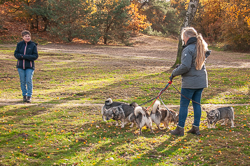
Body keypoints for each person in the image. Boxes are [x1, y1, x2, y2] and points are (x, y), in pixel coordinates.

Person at [169, 27, 211, 136]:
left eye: (183, 38)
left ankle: (180, 128)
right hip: (201, 80)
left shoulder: (188, 49)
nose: (183, 40)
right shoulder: (200, 47)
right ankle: (196, 128)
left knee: (184, 105)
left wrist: (174, 73)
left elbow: (186, 67)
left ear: (187, 37)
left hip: (190, 82)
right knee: (197, 104)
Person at [14, 30, 38, 103]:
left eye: (28, 36)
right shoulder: (19, 44)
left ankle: (29, 96)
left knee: (28, 80)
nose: (27, 37)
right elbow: (16, 54)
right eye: (26, 36)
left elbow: (35, 56)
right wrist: (22, 56)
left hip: (29, 66)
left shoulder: (33, 45)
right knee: (22, 81)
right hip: (20, 66)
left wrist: (24, 56)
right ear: (22, 37)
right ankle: (24, 95)